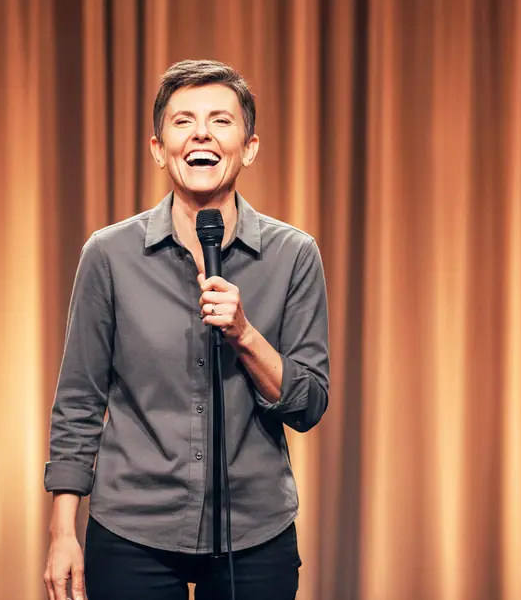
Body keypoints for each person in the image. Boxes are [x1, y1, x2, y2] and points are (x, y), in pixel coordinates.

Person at [43, 59, 330, 600]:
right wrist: (63, 532)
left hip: (254, 530)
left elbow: (309, 403)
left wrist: (246, 334)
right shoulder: (109, 255)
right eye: (183, 121)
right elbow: (79, 402)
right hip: (133, 529)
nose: (201, 133)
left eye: (221, 120)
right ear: (158, 149)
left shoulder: (294, 256)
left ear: (249, 147)